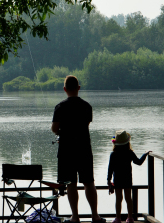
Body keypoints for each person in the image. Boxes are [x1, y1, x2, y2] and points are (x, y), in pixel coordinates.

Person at [51, 75, 105, 223]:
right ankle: (95, 216)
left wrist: (61, 130)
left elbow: (55, 129)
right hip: (84, 149)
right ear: (78, 88)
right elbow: (86, 125)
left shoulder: (60, 107)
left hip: (66, 151)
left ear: (64, 89)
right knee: (89, 182)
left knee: (71, 184)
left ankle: (75, 217)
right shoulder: (87, 106)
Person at [107, 130, 151, 223]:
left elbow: (110, 169)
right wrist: (145, 154)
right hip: (127, 178)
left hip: (117, 179)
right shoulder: (129, 152)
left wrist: (108, 180)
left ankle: (118, 218)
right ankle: (130, 218)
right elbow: (138, 162)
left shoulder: (113, 154)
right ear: (127, 142)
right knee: (128, 198)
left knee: (118, 199)